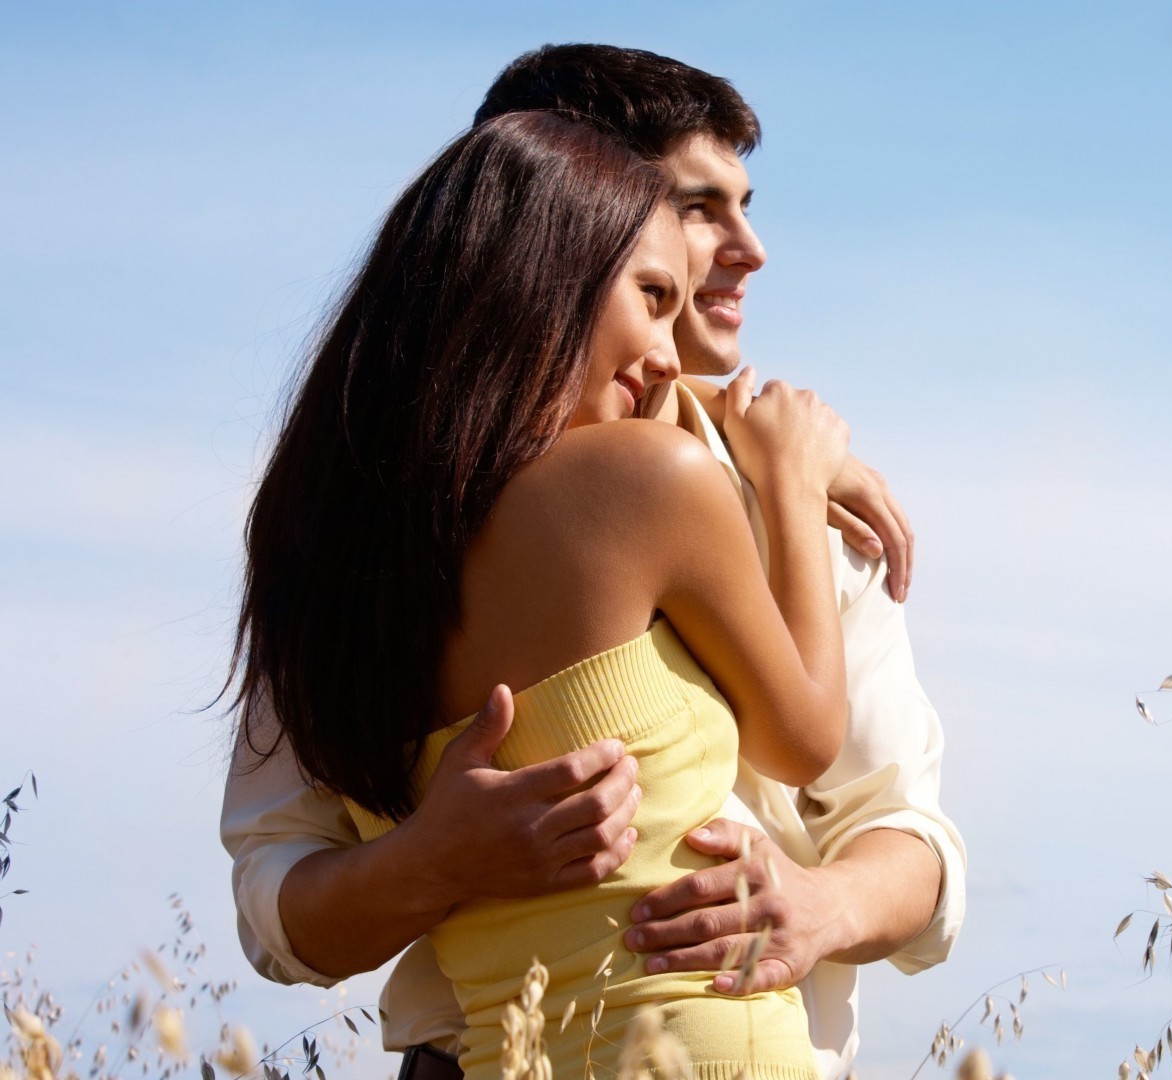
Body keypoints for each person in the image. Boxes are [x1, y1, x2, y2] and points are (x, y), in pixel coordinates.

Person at [221, 46, 965, 1080]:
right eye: (699, 209)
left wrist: (818, 908)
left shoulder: (798, 506)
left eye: (746, 205)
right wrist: (427, 864)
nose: (747, 250)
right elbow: (276, 896)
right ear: (557, 222)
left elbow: (908, 829)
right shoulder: (357, 530)